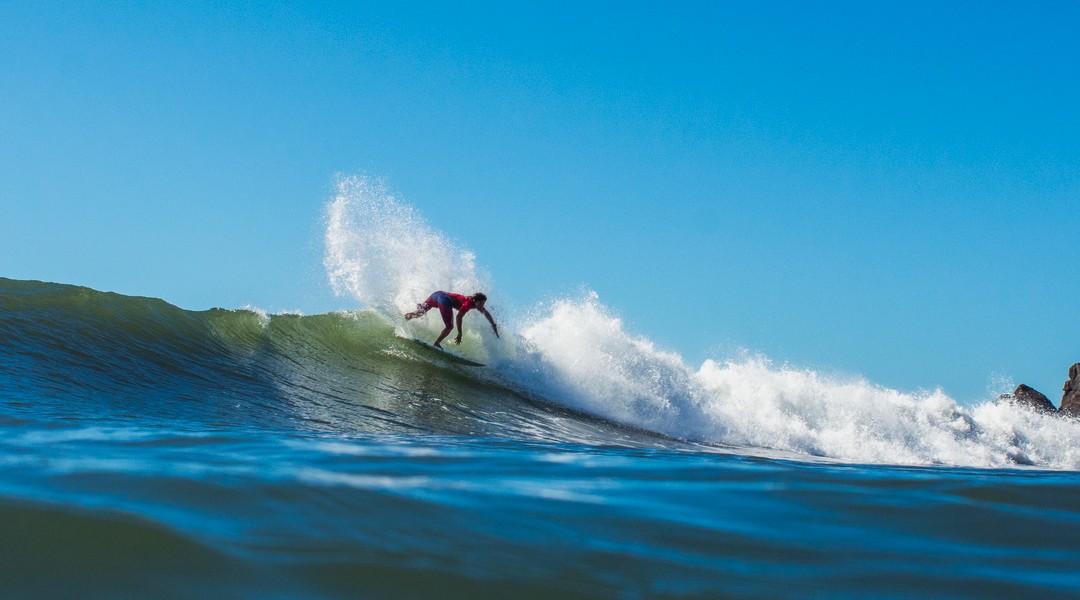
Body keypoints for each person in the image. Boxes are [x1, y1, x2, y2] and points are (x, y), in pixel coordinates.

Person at [404, 291, 499, 348]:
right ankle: (437, 343)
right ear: (475, 301)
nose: (482, 306)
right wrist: (460, 333)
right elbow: (459, 317)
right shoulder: (468, 304)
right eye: (481, 303)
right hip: (444, 299)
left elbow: (486, 313)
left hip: (436, 294)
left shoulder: (474, 303)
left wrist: (493, 325)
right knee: (450, 326)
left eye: (483, 303)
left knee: (419, 313)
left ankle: (403, 318)